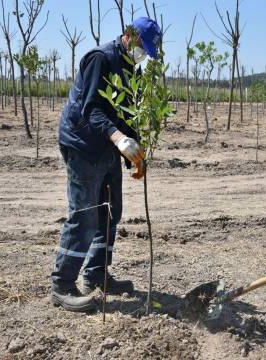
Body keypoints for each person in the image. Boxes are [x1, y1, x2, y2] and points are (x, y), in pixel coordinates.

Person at [50, 17, 162, 312]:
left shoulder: (130, 69)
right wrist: (118, 138)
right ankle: (62, 284)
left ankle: (97, 274)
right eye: (143, 46)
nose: (143, 54)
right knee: (86, 214)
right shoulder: (100, 59)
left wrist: (136, 155)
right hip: (83, 144)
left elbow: (128, 115)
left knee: (112, 211)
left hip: (109, 147)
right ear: (129, 35)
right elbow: (91, 108)